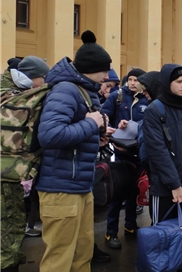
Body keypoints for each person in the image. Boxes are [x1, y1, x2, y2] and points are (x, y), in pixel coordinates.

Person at [36, 31, 115, 272]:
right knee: (59, 260)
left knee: (82, 256)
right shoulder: (66, 91)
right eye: (105, 70)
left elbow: (72, 134)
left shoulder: (82, 91)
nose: (107, 76)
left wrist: (97, 138)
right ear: (92, 69)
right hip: (61, 189)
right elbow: (50, 135)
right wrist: (91, 124)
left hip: (79, 186)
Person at [143, 64, 182, 267]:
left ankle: (179, 264)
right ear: (168, 83)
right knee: (162, 233)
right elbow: (157, 152)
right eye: (179, 82)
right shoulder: (154, 110)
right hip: (164, 187)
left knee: (181, 229)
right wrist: (174, 184)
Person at [1, 55, 50, 272]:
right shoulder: (10, 95)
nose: (45, 82)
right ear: (30, 77)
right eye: (43, 78)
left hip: (12, 171)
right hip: (7, 173)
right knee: (10, 222)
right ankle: (8, 264)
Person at [101, 68, 148, 250]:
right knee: (117, 192)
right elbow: (104, 118)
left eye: (136, 79)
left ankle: (130, 225)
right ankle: (111, 231)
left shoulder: (146, 99)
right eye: (130, 79)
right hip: (120, 152)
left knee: (133, 191)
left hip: (138, 152)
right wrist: (115, 127)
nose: (133, 82)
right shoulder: (117, 97)